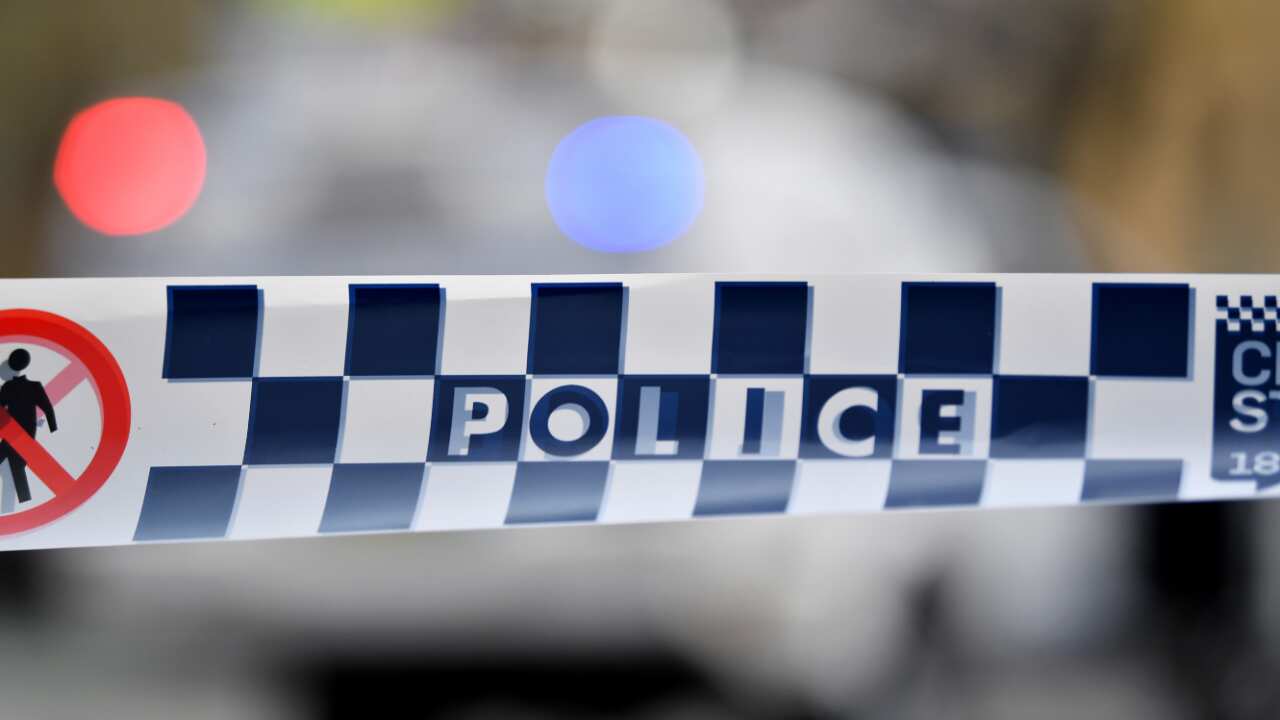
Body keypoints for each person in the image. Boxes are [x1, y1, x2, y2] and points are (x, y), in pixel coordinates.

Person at [0, 349, 57, 503]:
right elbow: (48, 408)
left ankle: (23, 503)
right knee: (17, 469)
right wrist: (53, 427)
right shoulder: (32, 387)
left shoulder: (9, 387)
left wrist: (53, 427)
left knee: (17, 468)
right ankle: (23, 503)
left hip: (17, 436)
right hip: (18, 435)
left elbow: (47, 408)